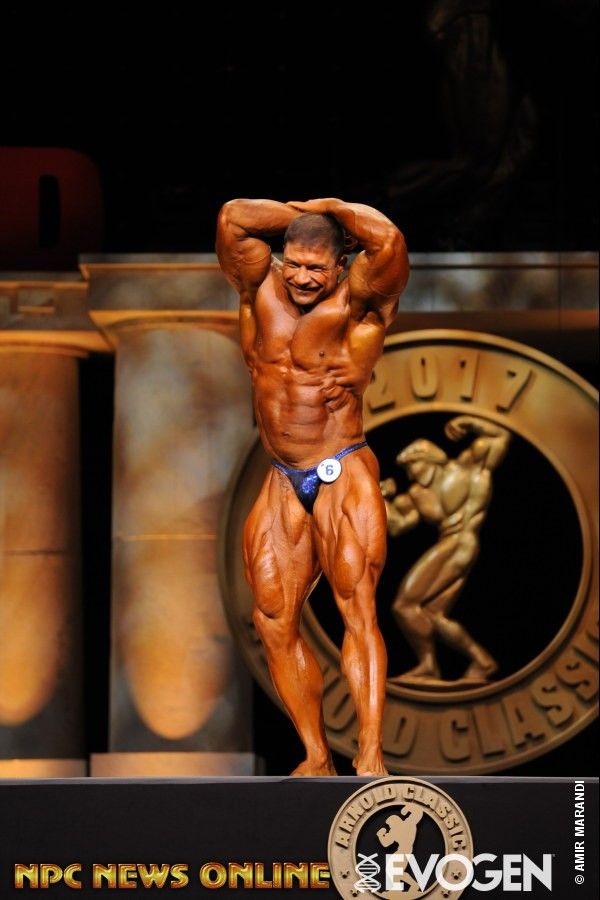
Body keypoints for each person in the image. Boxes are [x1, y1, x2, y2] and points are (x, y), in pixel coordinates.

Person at [216, 198, 409, 775]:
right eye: (294, 264)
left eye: (316, 268)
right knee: (272, 618)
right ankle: (317, 755)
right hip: (282, 476)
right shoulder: (258, 286)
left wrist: (331, 210)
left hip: (341, 467)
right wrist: (304, 215)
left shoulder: (360, 299)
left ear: (341, 264)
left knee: (357, 610)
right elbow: (232, 217)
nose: (302, 277)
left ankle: (370, 752)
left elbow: (388, 239)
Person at [380, 415, 511, 685]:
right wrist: (380, 498)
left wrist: (470, 422)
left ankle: (429, 666)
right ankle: (481, 662)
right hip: (452, 545)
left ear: (429, 458)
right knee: (431, 614)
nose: (410, 474)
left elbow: (501, 437)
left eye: (412, 465)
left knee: (404, 605)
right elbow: (398, 526)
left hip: (461, 541)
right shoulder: (417, 494)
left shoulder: (468, 467)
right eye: (407, 469)